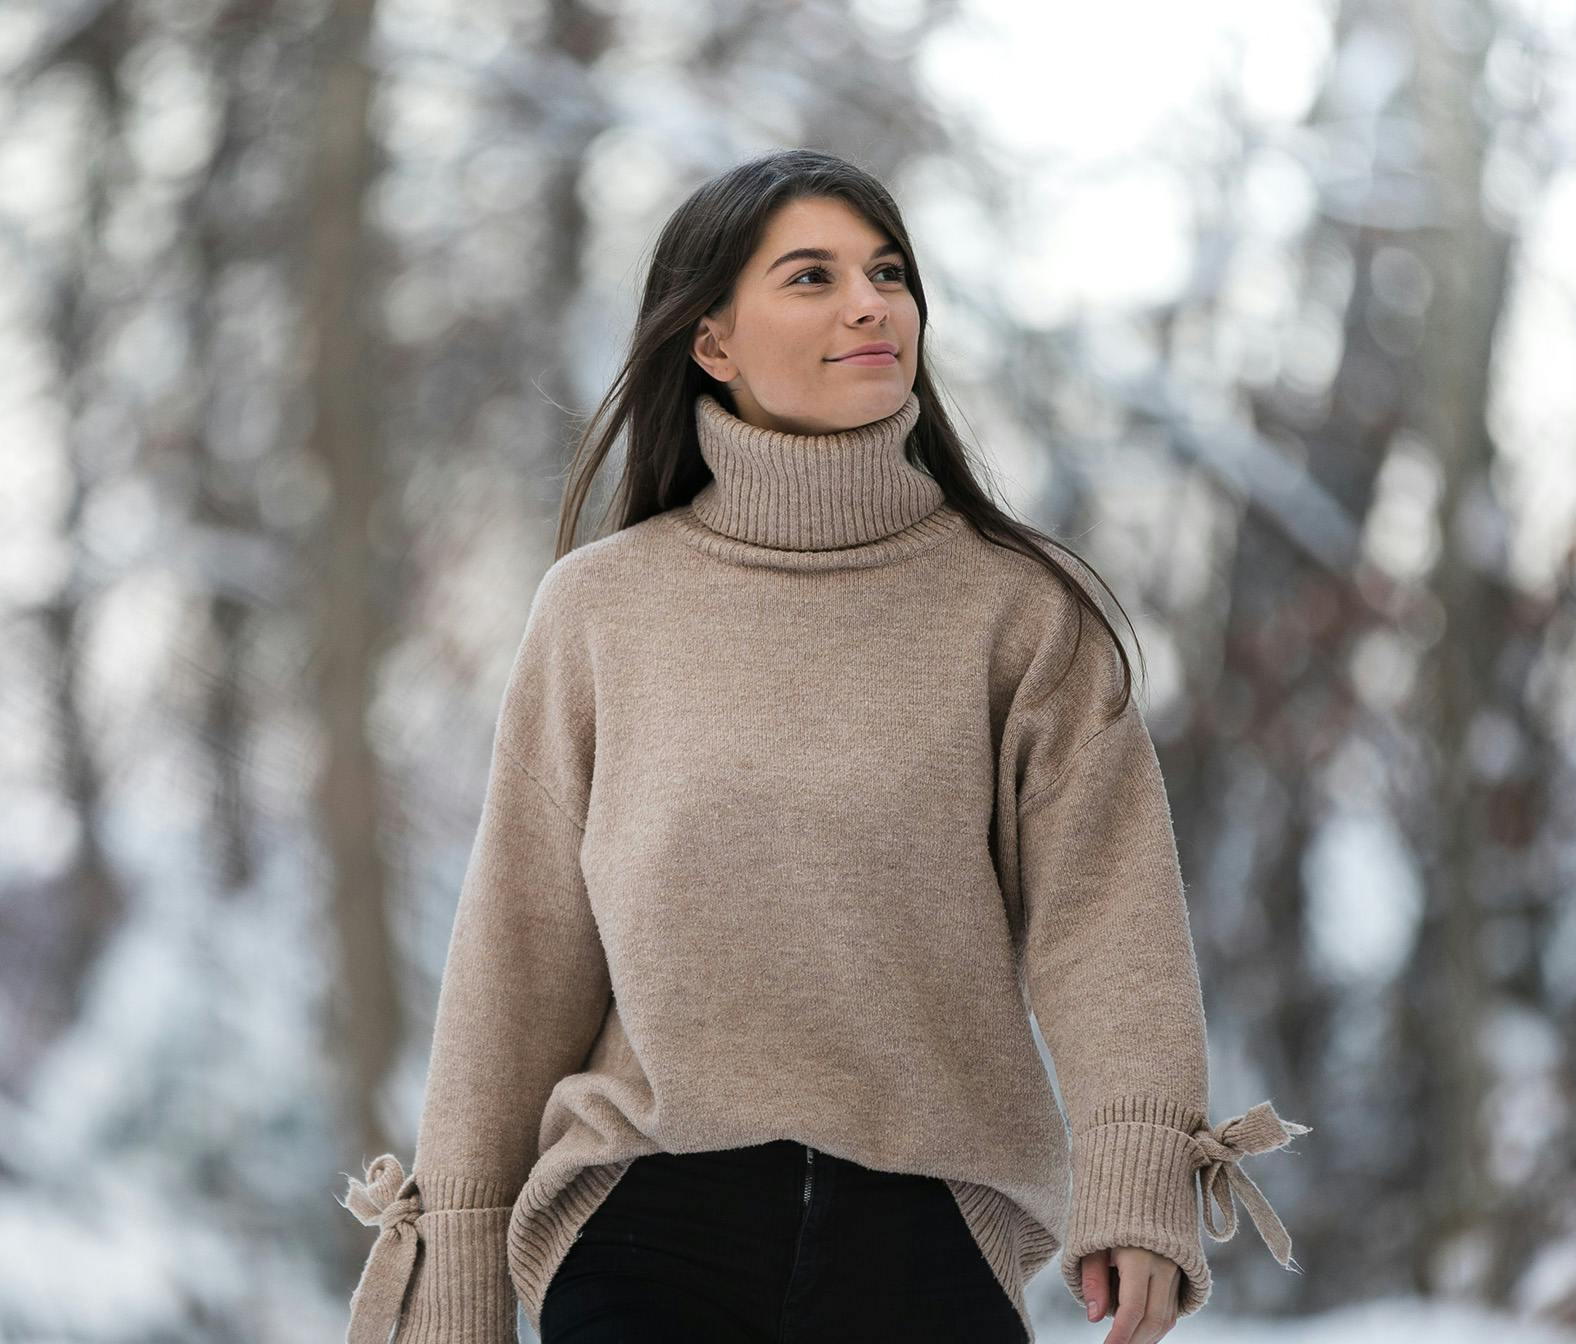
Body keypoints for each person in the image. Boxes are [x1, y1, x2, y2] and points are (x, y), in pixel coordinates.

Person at [337, 148, 1309, 1344]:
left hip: (926, 1242)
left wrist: (1137, 1174)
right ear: (712, 342)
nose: (869, 303)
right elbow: (517, 952)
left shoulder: (1020, 610)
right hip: (645, 1229)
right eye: (811, 276)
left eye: (887, 271)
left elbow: (1105, 923)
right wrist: (460, 1265)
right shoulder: (600, 610)